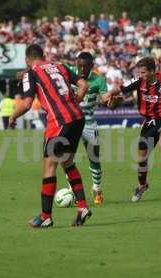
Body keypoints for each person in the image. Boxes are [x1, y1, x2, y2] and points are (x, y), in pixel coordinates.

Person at [9, 44, 91, 228]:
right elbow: (84, 84)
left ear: (27, 59)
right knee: (67, 162)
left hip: (60, 121)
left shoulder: (31, 73)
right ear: (43, 55)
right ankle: (83, 207)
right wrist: (76, 99)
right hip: (78, 117)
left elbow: (27, 103)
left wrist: (13, 115)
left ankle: (46, 216)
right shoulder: (60, 66)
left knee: (49, 166)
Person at [102, 57, 161, 201]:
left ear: (153, 71)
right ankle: (142, 185)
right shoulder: (138, 81)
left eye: (144, 72)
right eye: (140, 72)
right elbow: (121, 88)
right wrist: (109, 94)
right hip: (149, 122)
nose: (141, 75)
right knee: (141, 159)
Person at [67, 52, 107, 205]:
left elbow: (105, 100)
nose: (82, 69)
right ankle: (72, 190)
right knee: (68, 158)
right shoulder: (68, 72)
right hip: (71, 122)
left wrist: (111, 102)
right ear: (76, 63)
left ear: (92, 66)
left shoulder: (98, 80)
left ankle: (97, 188)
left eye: (86, 66)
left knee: (94, 157)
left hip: (89, 123)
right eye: (80, 65)